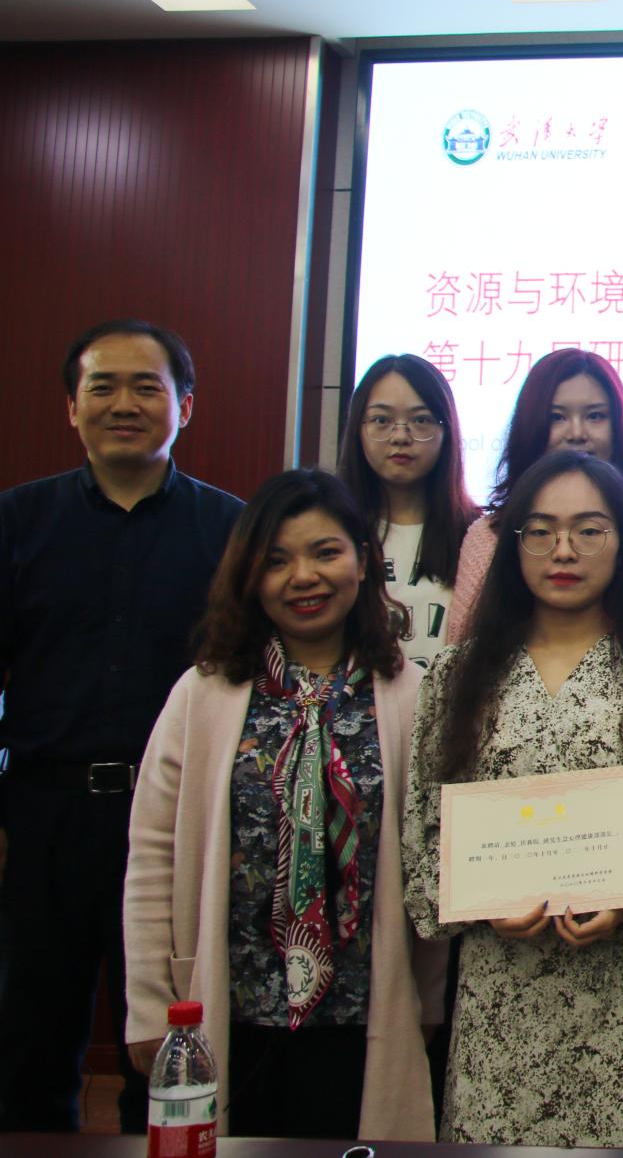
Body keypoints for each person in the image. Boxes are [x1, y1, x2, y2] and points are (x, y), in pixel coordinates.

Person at [404, 451, 623, 1147]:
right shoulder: (456, 676)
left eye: (588, 530)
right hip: (499, 1006)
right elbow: (422, 846)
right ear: (512, 545)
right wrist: (481, 897)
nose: (563, 550)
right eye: (539, 531)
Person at [123, 471, 437, 1139]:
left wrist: (431, 1000)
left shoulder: (410, 694)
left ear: (362, 560)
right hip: (229, 1002)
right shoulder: (202, 694)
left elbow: (434, 859)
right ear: (250, 575)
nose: (304, 577)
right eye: (277, 560)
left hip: (364, 1009)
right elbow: (152, 855)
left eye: (326, 552)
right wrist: (151, 1006)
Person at [0, 319, 243, 1132]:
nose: (124, 403)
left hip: (177, 822)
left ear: (185, 406)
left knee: (166, 1050)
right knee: (30, 1047)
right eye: (102, 386)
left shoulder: (231, 531)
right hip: (44, 817)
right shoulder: (17, 521)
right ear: (72, 407)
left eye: (148, 386)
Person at [445, 348, 623, 649]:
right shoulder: (488, 536)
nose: (577, 433)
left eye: (595, 416)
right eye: (557, 417)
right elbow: (462, 659)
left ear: (617, 428)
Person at [339, 354, 479, 671]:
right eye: (381, 420)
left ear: (447, 431)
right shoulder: (335, 531)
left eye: (421, 420)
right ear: (358, 429)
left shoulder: (478, 537)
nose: (401, 436)